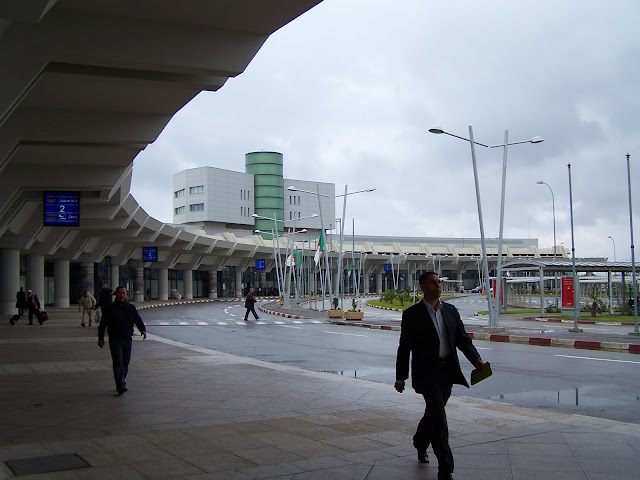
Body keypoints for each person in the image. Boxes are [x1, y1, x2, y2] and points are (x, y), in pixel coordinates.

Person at [395, 272, 486, 480]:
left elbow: (463, 340)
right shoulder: (412, 314)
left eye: (439, 282)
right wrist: (401, 378)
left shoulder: (451, 311)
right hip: (427, 373)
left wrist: (477, 361)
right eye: (433, 283)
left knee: (433, 414)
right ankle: (445, 469)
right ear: (422, 287)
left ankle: (419, 441)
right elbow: (404, 348)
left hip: (447, 371)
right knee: (440, 418)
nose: (438, 286)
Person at [98, 286, 147, 395]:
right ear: (116, 294)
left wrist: (142, 330)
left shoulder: (130, 308)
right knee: (118, 361)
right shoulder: (110, 309)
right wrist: (100, 338)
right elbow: (102, 324)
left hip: (127, 339)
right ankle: (120, 384)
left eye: (123, 293)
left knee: (125, 362)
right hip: (115, 339)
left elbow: (137, 319)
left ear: (126, 294)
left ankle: (121, 381)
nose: (122, 295)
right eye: (119, 293)